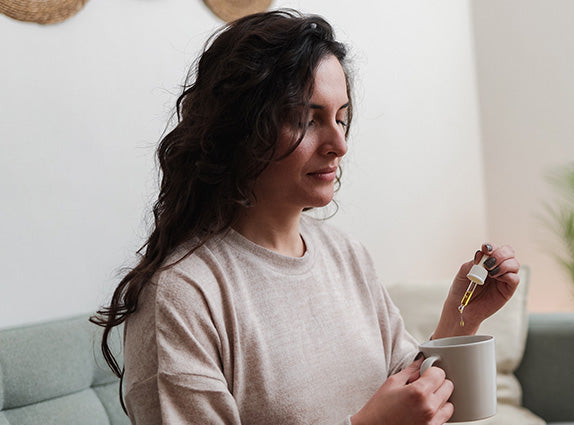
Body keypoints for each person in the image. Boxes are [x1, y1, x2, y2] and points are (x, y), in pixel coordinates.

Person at [91, 9, 520, 425]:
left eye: (341, 117)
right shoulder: (181, 297)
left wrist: (461, 317)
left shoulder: (345, 254)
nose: (339, 144)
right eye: (307, 119)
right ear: (241, 129)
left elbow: (414, 394)